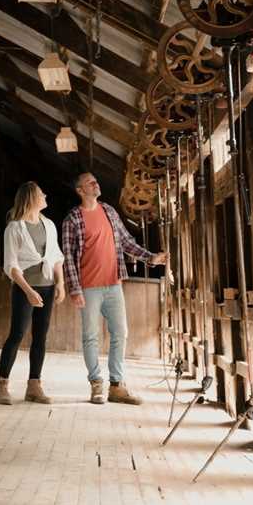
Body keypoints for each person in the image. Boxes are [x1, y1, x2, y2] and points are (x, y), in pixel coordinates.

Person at [62, 172, 167, 405]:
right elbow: (68, 257)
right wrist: (74, 289)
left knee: (120, 333)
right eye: (91, 182)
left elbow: (127, 242)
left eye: (96, 180)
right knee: (91, 337)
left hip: (113, 284)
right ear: (80, 190)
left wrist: (151, 258)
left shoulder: (109, 211)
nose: (96, 183)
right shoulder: (73, 219)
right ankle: (96, 385)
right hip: (88, 287)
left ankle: (117, 386)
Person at [0, 181, 65, 405]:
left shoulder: (49, 225)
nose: (45, 194)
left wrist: (60, 284)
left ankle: (34, 386)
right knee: (16, 334)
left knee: (40, 337)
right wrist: (27, 291)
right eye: (41, 193)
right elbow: (11, 266)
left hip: (46, 287)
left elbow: (55, 257)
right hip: (24, 288)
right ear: (31, 198)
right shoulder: (14, 228)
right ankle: (2, 386)